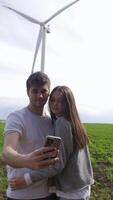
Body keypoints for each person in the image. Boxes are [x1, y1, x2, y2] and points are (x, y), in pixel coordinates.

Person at [8, 86, 94, 200]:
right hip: (82, 186)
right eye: (53, 100)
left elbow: (57, 165)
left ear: (69, 103)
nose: (55, 104)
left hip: (70, 191)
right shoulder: (74, 121)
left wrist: (27, 179)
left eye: (61, 101)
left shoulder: (62, 123)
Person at [2, 71, 59, 200]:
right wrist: (27, 161)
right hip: (21, 194)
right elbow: (7, 151)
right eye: (35, 91)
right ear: (28, 92)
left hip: (49, 193)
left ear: (48, 93)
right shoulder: (16, 117)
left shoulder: (52, 120)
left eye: (44, 91)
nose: (39, 95)